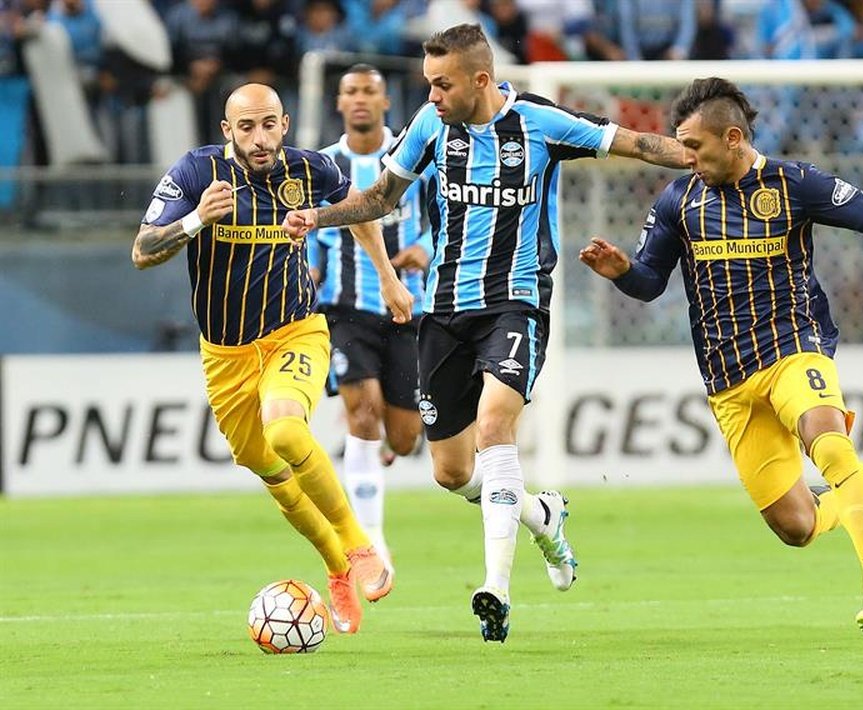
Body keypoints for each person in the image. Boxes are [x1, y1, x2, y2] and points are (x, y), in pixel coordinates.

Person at [283, 23, 687, 643]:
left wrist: (699, 156)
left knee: (496, 424)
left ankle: (495, 588)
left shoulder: (540, 123)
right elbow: (381, 198)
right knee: (449, 470)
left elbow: (631, 143)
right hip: (441, 311)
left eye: (442, 84)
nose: (433, 95)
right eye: (427, 84)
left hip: (514, 303)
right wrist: (320, 216)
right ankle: (542, 515)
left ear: (479, 79)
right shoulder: (427, 126)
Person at [579, 77, 863, 632]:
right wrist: (621, 272)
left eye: (694, 146)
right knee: (797, 526)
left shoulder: (792, 184)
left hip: (794, 349)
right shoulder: (678, 201)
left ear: (733, 138)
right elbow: (649, 283)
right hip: (728, 380)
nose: (684, 157)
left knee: (830, 446)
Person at [131, 82, 414, 636]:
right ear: (226, 131)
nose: (258, 139)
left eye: (268, 125)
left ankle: (358, 545)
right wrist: (194, 222)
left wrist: (386, 277)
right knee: (274, 474)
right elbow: (143, 250)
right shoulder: (195, 174)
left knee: (286, 432)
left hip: (295, 332)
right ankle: (336, 569)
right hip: (226, 355)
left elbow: (360, 208)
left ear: (284, 125)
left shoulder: (310, 170)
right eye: (245, 128)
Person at [306, 63, 432, 570]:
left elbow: (445, 220)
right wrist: (309, 271)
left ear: (385, 102)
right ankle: (372, 541)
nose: (359, 99)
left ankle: (377, 452)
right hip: (344, 309)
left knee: (404, 437)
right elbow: (309, 228)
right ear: (339, 103)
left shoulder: (411, 158)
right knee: (363, 412)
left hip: (408, 308)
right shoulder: (323, 166)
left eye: (369, 92)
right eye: (350, 92)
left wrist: (424, 247)